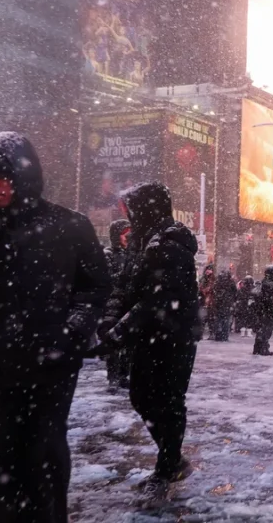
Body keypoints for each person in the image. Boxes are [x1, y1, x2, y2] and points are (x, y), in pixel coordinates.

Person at [0, 132, 111, 522]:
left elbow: (94, 289)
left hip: (50, 367)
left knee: (43, 455)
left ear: (23, 175)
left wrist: (73, 331)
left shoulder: (69, 226)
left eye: (1, 174)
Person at [100, 182, 201, 498]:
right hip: (148, 337)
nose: (127, 214)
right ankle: (171, 459)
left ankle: (168, 463)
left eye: (132, 208)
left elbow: (156, 300)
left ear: (147, 208)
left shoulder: (169, 244)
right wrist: (110, 320)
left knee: (168, 401)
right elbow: (125, 286)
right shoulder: (141, 241)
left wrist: (119, 333)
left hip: (174, 337)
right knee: (142, 397)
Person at [104, 218, 132, 388]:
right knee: (113, 341)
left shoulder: (132, 254)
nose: (127, 237)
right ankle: (113, 376)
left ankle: (124, 375)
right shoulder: (108, 254)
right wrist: (124, 276)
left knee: (128, 341)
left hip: (128, 303)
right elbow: (106, 279)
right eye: (124, 233)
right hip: (112, 305)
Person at [252, 265, 273, 356]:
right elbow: (270, 300)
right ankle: (264, 349)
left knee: (261, 330)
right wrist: (272, 311)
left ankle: (257, 348)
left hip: (262, 311)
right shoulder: (270, 285)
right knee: (266, 331)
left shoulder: (263, 282)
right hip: (267, 311)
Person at [211, 270, 237, 342]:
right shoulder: (231, 283)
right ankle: (224, 336)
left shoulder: (217, 283)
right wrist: (233, 301)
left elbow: (214, 291)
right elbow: (235, 293)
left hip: (218, 303)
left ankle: (218, 335)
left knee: (218, 319)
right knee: (226, 320)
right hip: (227, 304)